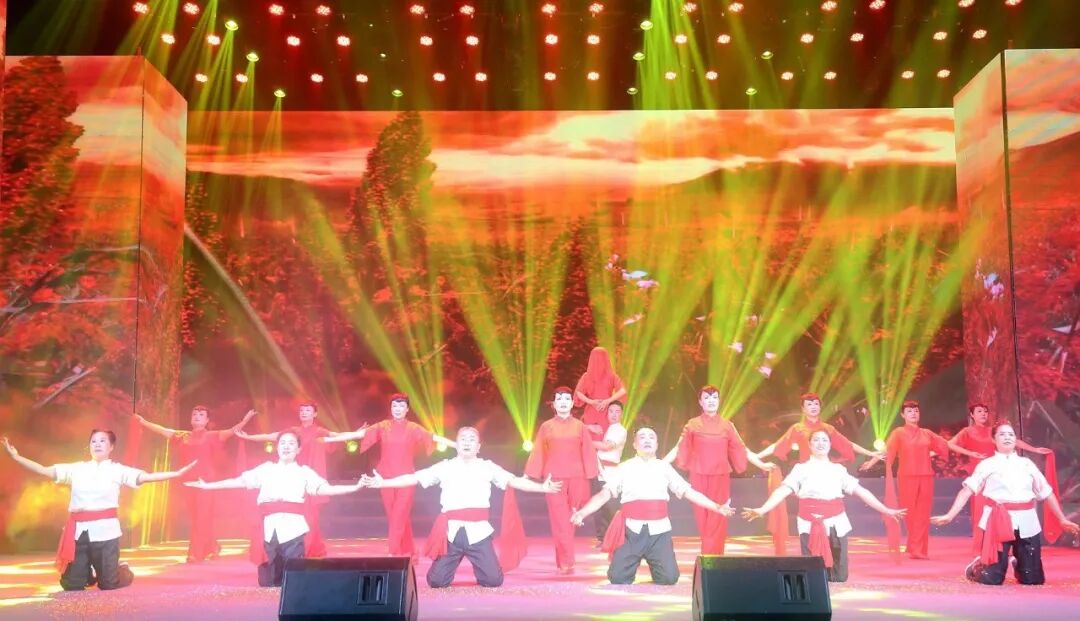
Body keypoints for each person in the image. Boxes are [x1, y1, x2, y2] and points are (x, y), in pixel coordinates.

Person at [361, 427, 562, 588]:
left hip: (479, 533)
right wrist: (384, 483)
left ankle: (483, 567)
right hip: (451, 534)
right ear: (456, 445)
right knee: (436, 582)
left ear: (478, 446)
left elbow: (515, 481)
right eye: (463, 439)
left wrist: (542, 488)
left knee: (493, 581)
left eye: (471, 439)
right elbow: (413, 478)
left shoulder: (487, 467)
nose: (467, 442)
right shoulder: (445, 466)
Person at [2, 431, 196, 591]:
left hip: (106, 533)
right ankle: (86, 572)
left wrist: (177, 473)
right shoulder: (76, 469)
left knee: (109, 584)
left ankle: (122, 569)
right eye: (93, 441)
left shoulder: (118, 470)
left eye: (102, 441)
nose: (97, 444)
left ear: (111, 447)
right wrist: (16, 457)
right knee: (72, 585)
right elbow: (44, 470)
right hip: (79, 533)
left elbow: (146, 477)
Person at [186, 431, 364, 586]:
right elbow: (238, 481)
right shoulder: (266, 470)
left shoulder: (304, 472)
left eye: (291, 443)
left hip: (294, 528)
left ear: (299, 449)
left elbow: (326, 489)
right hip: (269, 527)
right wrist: (208, 486)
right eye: (283, 443)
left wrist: (355, 487)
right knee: (270, 580)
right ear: (277, 447)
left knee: (293, 574)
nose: (286, 446)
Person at [571, 427, 734, 585]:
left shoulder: (664, 467)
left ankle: (657, 562)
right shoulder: (625, 467)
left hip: (659, 532)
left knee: (669, 578)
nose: (647, 440)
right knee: (618, 578)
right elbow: (603, 494)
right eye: (642, 437)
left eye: (651, 437)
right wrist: (581, 513)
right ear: (634, 445)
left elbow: (688, 492)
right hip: (631, 532)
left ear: (656, 445)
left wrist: (717, 507)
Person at [742, 430, 906, 582]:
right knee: (812, 575)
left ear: (830, 444)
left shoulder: (838, 469)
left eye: (824, 440)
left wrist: (886, 510)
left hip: (836, 523)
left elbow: (861, 491)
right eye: (816, 440)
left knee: (839, 575)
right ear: (809, 444)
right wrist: (763, 509)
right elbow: (783, 490)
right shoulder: (800, 469)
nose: (820, 443)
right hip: (809, 523)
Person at [931, 423, 1078, 586]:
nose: (1007, 437)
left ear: (1015, 439)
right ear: (993, 439)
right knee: (992, 579)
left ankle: (1019, 564)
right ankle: (977, 567)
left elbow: (1047, 493)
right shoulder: (987, 465)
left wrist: (1062, 519)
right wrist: (950, 515)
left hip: (1027, 521)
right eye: (1002, 434)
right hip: (997, 523)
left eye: (1011, 434)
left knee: (1033, 580)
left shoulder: (1027, 464)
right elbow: (967, 491)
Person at [753, 392, 883, 554]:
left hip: (825, 472)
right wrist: (757, 456)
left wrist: (870, 453)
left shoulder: (827, 429)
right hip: (806, 475)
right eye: (809, 404)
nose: (813, 407)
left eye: (816, 404)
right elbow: (779, 445)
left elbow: (847, 444)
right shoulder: (797, 428)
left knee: (830, 517)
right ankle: (813, 555)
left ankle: (830, 553)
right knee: (808, 520)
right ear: (803, 409)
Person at [236, 401, 366, 558]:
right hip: (291, 479)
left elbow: (337, 436)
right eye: (302, 410)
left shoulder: (319, 431)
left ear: (315, 414)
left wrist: (354, 434)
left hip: (309, 478)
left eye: (308, 410)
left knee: (311, 518)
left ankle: (307, 549)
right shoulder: (293, 432)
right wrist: (249, 437)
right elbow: (271, 436)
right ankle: (290, 548)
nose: (304, 412)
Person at [863, 400, 986, 559]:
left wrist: (970, 453)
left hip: (926, 476)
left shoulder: (926, 433)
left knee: (923, 512)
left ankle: (918, 549)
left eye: (916, 411)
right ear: (903, 415)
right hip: (907, 477)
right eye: (909, 411)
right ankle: (914, 546)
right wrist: (872, 461)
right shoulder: (898, 432)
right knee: (910, 512)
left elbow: (946, 444)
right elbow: (887, 450)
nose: (913, 414)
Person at [337, 393, 456, 557]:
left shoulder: (413, 428)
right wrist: (329, 439)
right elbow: (358, 435)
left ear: (407, 409)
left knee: (399, 515)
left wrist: (457, 445)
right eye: (394, 406)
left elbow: (434, 437)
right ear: (390, 408)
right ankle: (408, 551)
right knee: (396, 516)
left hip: (406, 480)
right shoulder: (383, 426)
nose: (397, 409)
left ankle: (393, 553)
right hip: (385, 479)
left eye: (401, 406)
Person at [663, 385, 777, 554]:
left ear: (719, 401)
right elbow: (678, 447)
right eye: (707, 398)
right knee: (703, 518)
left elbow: (742, 448)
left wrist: (761, 465)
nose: (711, 401)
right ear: (700, 402)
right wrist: (660, 465)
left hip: (720, 477)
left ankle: (714, 557)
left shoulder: (727, 425)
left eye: (714, 397)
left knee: (718, 517)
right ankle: (708, 556)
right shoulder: (693, 424)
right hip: (698, 476)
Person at [134, 405, 256, 562]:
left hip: (206, 482)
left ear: (207, 420)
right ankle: (212, 546)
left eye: (201, 414)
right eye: (194, 414)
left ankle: (195, 553)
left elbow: (233, 430)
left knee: (201, 516)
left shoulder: (212, 436)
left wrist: (245, 420)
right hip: (187, 481)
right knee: (196, 516)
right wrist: (143, 422)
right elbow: (162, 430)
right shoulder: (182, 436)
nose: (197, 416)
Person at [524, 386, 599, 574]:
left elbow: (588, 451)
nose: (563, 402)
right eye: (559, 399)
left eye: (567, 399)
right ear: (554, 405)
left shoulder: (580, 426)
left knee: (572, 519)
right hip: (554, 479)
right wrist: (529, 473)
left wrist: (592, 474)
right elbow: (538, 451)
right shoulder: (546, 426)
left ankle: (563, 560)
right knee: (560, 521)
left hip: (577, 478)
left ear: (572, 403)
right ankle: (567, 561)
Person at [948, 403, 1051, 538]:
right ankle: (982, 544)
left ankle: (1004, 539)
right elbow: (950, 444)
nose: (983, 414)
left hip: (997, 472)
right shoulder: (967, 431)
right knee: (980, 509)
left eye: (985, 411)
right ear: (972, 415)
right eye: (979, 411)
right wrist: (970, 453)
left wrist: (1034, 449)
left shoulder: (993, 431)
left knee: (997, 507)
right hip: (980, 472)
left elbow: (1015, 441)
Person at [589, 401, 628, 545]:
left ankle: (616, 538)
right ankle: (604, 538)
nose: (614, 414)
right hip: (600, 471)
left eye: (617, 411)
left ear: (622, 414)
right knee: (600, 507)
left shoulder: (619, 430)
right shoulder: (608, 429)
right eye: (611, 411)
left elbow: (607, 446)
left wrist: (587, 441)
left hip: (610, 473)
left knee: (609, 507)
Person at [574, 346, 626, 442]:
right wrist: (607, 401)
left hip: (594, 410)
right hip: (605, 411)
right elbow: (622, 391)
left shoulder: (587, 376)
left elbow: (578, 393)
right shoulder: (611, 375)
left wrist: (591, 402)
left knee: (591, 439)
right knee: (603, 438)